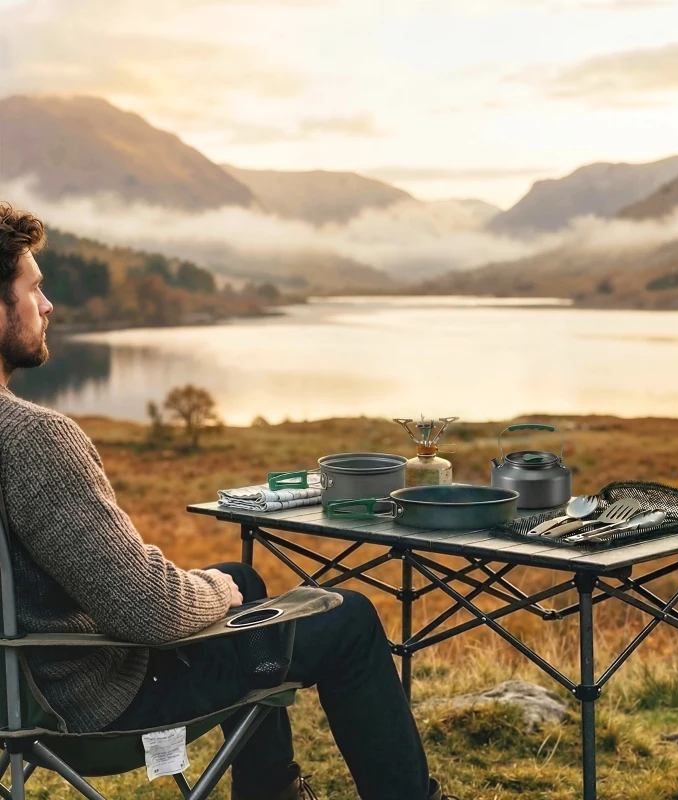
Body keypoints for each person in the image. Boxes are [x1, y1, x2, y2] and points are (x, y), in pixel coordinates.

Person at [0, 203, 457, 800]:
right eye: (34, 289)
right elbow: (152, 612)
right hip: (87, 705)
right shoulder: (32, 438)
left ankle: (270, 791)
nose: (49, 305)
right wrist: (220, 593)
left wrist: (219, 583)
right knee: (347, 618)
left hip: (20, 684)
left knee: (241, 572)